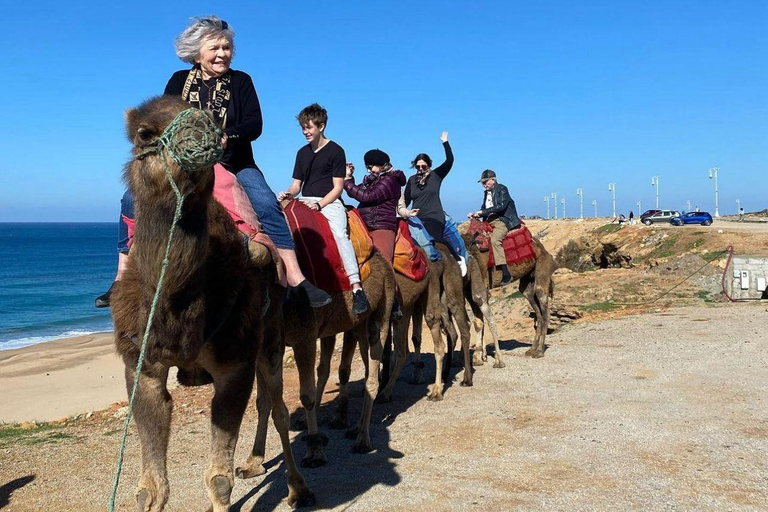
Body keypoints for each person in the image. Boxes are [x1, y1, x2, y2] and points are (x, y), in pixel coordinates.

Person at [95, 16, 331, 309]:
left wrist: (227, 136)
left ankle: (296, 277)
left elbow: (254, 124)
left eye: (227, 47)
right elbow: (164, 122)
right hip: (186, 165)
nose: (222, 53)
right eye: (215, 48)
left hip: (235, 161)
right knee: (131, 198)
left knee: (267, 203)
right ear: (197, 52)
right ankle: (121, 276)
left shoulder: (241, 81)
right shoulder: (178, 81)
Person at [278, 103, 369, 314]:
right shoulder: (302, 153)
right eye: (303, 127)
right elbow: (296, 185)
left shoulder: (336, 151)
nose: (305, 132)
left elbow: (338, 188)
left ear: (321, 125)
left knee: (340, 234)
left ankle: (356, 287)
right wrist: (288, 193)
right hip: (304, 199)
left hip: (328, 201)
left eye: (308, 127)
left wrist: (320, 204)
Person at [400, 131, 466, 273]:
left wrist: (445, 142)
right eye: (418, 167)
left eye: (423, 166)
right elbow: (405, 200)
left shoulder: (436, 176)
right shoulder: (411, 180)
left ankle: (458, 259)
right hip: (416, 218)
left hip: (434, 216)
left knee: (433, 239)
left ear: (429, 165)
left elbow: (450, 161)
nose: (420, 169)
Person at [343, 149, 407, 264]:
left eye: (371, 167)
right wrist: (349, 177)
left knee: (384, 264)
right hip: (367, 226)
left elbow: (367, 196)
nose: (369, 170)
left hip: (381, 227)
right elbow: (355, 192)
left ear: (382, 165)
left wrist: (347, 182)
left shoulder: (390, 181)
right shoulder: (374, 181)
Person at [467, 170, 521, 285]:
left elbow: (501, 207)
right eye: (483, 183)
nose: (483, 185)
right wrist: (475, 214)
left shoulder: (502, 189)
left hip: (501, 220)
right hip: (489, 220)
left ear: (493, 180)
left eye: (485, 182)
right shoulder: (486, 193)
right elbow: (484, 208)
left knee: (495, 240)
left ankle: (506, 273)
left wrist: (482, 212)